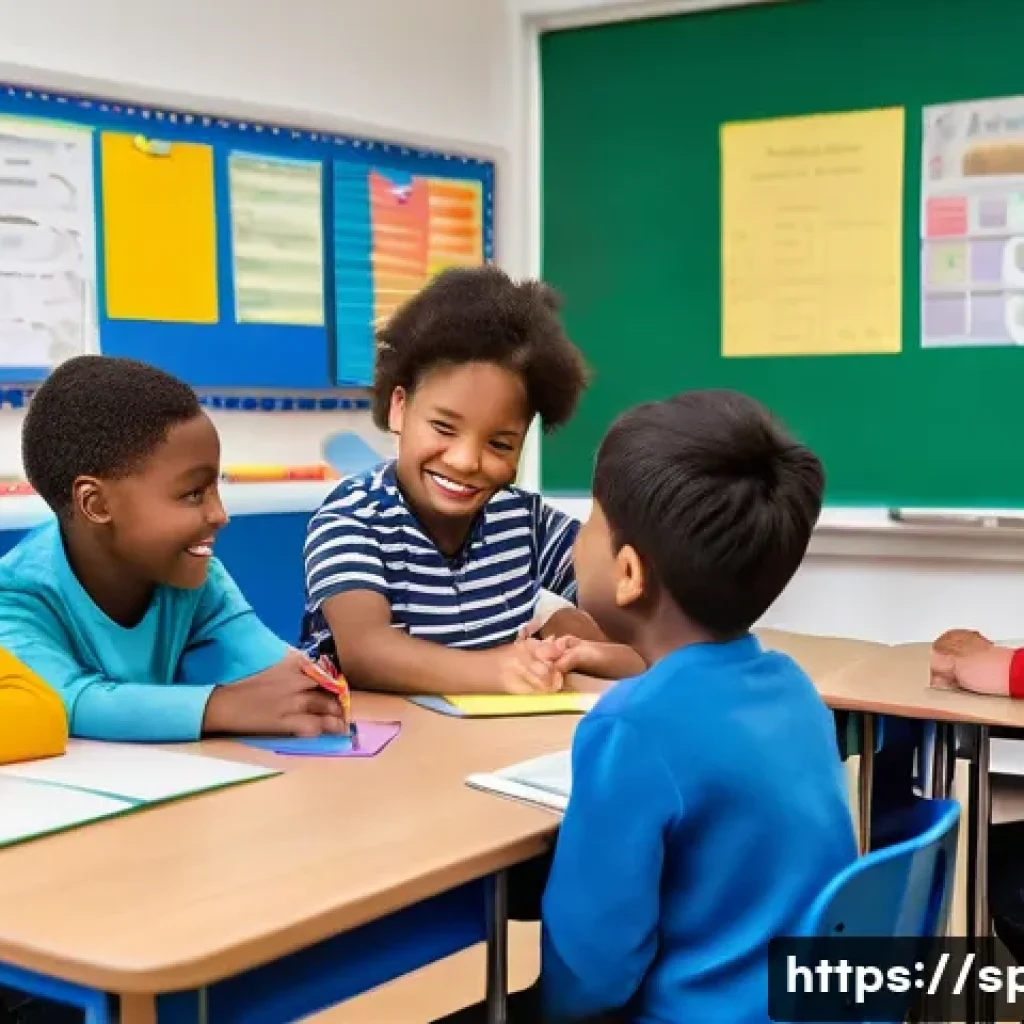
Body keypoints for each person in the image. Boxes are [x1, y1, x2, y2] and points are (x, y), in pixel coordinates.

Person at [438, 390, 857, 1023]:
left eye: (592, 521)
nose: (578, 540)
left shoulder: (633, 727)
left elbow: (592, 975)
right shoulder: (793, 688)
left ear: (629, 573)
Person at [300, 267, 645, 695]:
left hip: (485, 732)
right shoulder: (352, 519)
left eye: (500, 444)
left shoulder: (525, 521)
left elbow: (640, 620)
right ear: (399, 407)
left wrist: (585, 649)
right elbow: (367, 653)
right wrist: (498, 670)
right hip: (368, 732)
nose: (465, 462)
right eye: (444, 428)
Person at [0, 355, 348, 743]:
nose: (220, 515)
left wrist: (309, 686)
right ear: (96, 504)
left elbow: (263, 661)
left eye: (216, 488)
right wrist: (219, 707)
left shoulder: (197, 577)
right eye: (193, 493)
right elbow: (56, 701)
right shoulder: (15, 598)